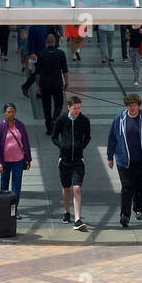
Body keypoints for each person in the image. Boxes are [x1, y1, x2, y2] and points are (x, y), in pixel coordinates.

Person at [107, 93, 142, 227]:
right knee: (127, 187)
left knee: (140, 186)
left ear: (138, 105)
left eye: (134, 105)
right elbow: (112, 138)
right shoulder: (120, 118)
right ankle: (125, 215)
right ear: (126, 106)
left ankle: (138, 209)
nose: (132, 108)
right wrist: (110, 156)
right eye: (130, 105)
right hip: (124, 160)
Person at [51, 95, 91, 231]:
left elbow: (88, 136)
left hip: (78, 160)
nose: (77, 111)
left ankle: (77, 219)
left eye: (79, 108)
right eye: (75, 108)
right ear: (69, 107)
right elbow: (54, 136)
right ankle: (67, 212)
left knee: (77, 187)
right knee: (66, 187)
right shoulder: (61, 119)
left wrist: (82, 145)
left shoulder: (84, 120)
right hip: (64, 160)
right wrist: (61, 145)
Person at [22, 33, 68, 135]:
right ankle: (55, 119)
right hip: (57, 83)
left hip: (45, 84)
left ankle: (49, 128)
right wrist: (67, 82)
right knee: (59, 104)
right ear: (55, 42)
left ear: (46, 42)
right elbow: (65, 70)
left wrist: (38, 86)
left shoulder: (42, 54)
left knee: (46, 106)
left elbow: (38, 72)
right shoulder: (61, 54)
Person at [0, 102, 31, 201]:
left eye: (13, 112)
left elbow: (25, 142)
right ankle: (3, 208)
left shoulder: (20, 125)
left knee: (16, 186)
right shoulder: (0, 127)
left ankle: (14, 209)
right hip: (5, 161)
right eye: (9, 112)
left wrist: (28, 158)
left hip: (18, 161)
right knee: (4, 185)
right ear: (4, 113)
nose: (11, 114)